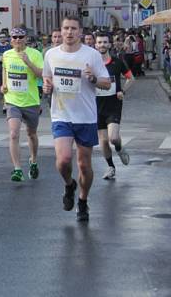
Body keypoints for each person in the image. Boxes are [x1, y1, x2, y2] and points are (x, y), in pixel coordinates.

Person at [43, 16, 110, 222]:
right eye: (66, 28)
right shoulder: (51, 55)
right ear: (60, 31)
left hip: (86, 117)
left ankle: (83, 200)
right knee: (63, 161)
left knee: (84, 165)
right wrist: (47, 88)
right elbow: (47, 79)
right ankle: (69, 185)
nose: (69, 32)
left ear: (80, 32)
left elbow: (106, 83)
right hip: (61, 115)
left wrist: (93, 78)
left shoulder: (92, 55)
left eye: (73, 29)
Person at [1, 27, 43, 182]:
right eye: (14, 37)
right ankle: (17, 169)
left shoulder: (35, 54)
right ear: (11, 40)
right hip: (13, 101)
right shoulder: (7, 54)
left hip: (31, 101)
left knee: (31, 134)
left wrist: (28, 62)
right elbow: (5, 71)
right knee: (13, 133)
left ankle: (33, 160)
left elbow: (41, 75)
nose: (17, 40)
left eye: (20, 37)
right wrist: (3, 85)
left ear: (26, 38)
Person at [94, 33, 134, 180]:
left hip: (113, 104)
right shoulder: (92, 64)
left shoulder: (117, 62)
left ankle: (119, 147)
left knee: (113, 138)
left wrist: (122, 90)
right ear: (96, 45)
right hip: (97, 106)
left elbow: (131, 78)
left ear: (109, 44)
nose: (102, 45)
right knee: (103, 141)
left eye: (105, 42)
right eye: (100, 42)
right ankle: (111, 167)